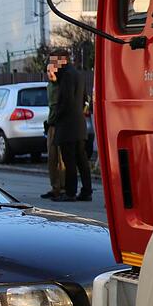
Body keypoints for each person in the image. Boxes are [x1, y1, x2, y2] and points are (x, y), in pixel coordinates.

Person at [52, 53, 93, 202]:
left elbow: (66, 100)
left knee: (69, 161)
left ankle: (70, 192)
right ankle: (87, 191)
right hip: (79, 125)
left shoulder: (66, 76)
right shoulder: (78, 74)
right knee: (82, 161)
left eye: (54, 62)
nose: (53, 66)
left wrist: (57, 116)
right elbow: (84, 100)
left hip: (67, 126)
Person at [41, 53, 66, 200]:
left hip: (61, 124)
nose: (49, 74)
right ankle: (54, 186)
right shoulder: (49, 86)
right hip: (51, 124)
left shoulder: (61, 85)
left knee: (61, 159)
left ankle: (62, 187)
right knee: (51, 158)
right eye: (47, 71)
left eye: (52, 71)